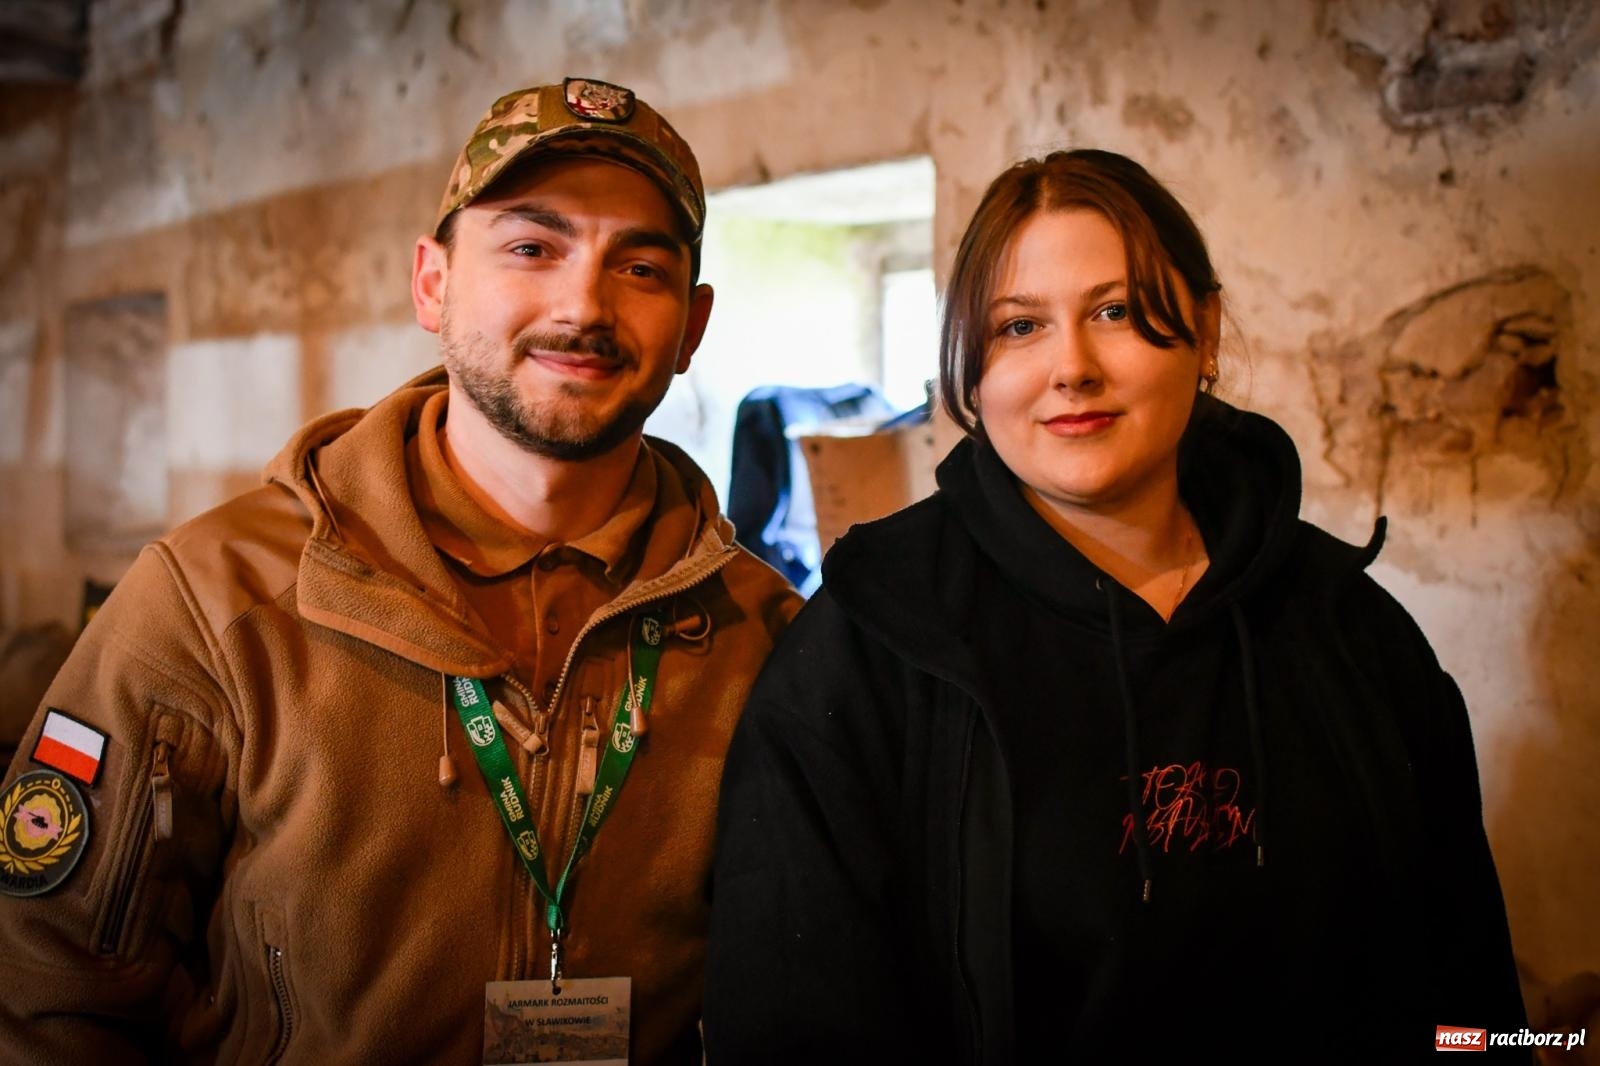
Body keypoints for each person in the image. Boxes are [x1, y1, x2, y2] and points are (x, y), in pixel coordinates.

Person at [0, 78, 800, 1063]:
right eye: (530, 247)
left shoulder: (761, 634)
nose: (582, 305)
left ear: (690, 324)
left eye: (638, 266)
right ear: (432, 283)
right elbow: (46, 993)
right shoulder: (215, 599)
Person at [703, 149, 1528, 1061]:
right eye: (1019, 327)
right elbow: (793, 1032)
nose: (1072, 368)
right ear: (970, 370)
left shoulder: (1352, 633)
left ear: (1206, 330)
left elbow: (1469, 994)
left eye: (1117, 312)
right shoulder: (869, 651)